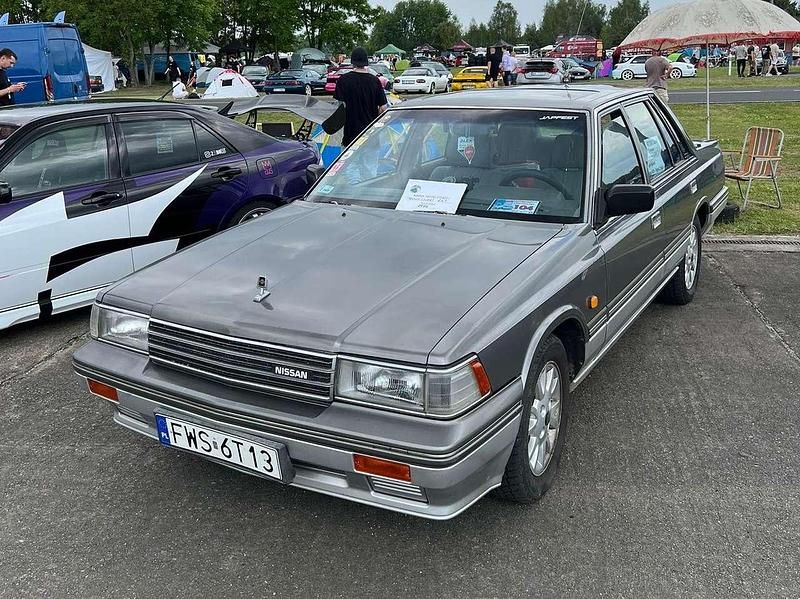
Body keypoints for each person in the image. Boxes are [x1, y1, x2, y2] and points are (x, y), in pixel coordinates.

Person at [334, 47, 388, 147]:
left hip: (350, 135)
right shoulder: (375, 81)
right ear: (366, 62)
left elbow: (340, 108)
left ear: (352, 62)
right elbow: (383, 108)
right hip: (371, 136)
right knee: (371, 162)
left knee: (349, 162)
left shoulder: (343, 80)